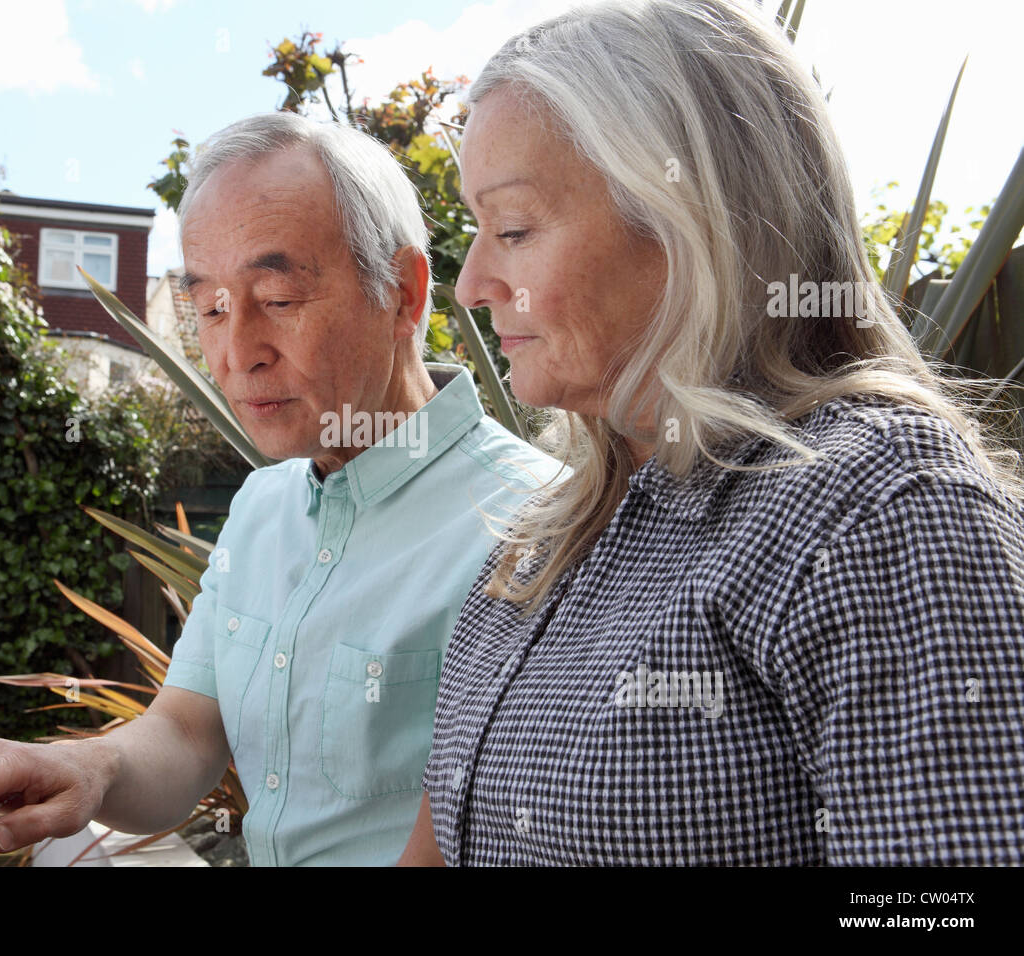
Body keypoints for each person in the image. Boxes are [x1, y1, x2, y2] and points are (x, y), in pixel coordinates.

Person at [400, 0, 1024, 866]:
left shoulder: (879, 514)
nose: (470, 284)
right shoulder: (546, 537)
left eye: (512, 229)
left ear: (692, 222)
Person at [0, 112, 564, 866]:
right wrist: (91, 768)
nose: (236, 351)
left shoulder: (535, 527)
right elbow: (187, 732)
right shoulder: (263, 506)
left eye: (279, 299)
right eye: (210, 308)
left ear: (404, 294)